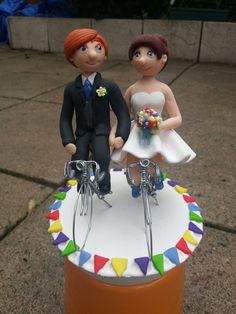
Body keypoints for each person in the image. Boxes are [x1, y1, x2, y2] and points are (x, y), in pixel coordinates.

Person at [110, 33, 196, 197]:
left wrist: (159, 126)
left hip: (157, 131)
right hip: (136, 131)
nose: (142, 60)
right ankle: (135, 182)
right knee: (133, 159)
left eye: (150, 54)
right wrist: (114, 133)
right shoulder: (132, 89)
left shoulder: (164, 89)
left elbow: (177, 118)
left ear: (163, 58)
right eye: (137, 54)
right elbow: (123, 116)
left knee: (154, 158)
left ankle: (154, 177)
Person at [60, 28, 130, 194]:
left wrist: (121, 134)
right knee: (78, 161)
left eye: (98, 48)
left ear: (104, 54)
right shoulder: (71, 89)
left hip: (101, 132)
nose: (92, 55)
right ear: (71, 57)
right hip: (82, 133)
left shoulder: (109, 86)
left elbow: (123, 113)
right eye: (83, 49)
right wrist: (68, 139)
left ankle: (104, 186)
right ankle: (82, 186)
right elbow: (65, 117)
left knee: (101, 157)